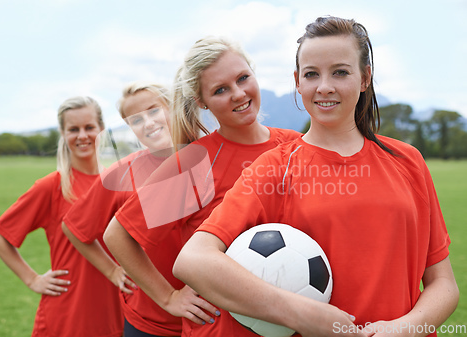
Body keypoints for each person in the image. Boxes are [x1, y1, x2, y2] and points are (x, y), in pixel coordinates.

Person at [173, 16, 459, 337]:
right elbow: (193, 260)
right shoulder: (274, 168)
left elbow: (444, 284)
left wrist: (404, 329)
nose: (324, 86)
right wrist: (298, 313)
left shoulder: (408, 161)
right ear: (298, 82)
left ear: (365, 78)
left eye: (340, 71)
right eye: (312, 74)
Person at [103, 36, 301, 336]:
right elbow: (118, 234)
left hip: (294, 322)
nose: (238, 94)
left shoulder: (296, 147)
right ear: (201, 101)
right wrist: (168, 297)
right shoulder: (197, 164)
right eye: (220, 90)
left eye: (243, 78)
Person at [62, 81, 203, 337]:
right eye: (135, 120)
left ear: (173, 108)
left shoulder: (210, 155)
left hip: (213, 316)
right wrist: (112, 270)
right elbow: (73, 227)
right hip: (150, 323)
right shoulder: (121, 174)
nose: (147, 123)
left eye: (153, 111)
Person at [0, 96, 124, 337]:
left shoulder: (118, 182)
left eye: (89, 127)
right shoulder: (53, 186)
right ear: (63, 133)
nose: (82, 135)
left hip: (118, 313)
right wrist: (32, 279)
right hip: (67, 317)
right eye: (73, 129)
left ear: (101, 129)